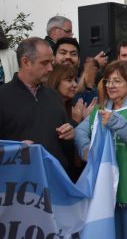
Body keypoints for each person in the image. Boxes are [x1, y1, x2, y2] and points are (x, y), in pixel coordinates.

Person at [75, 60, 127, 239]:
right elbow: (79, 132)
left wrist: (115, 121)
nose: (110, 85)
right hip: (105, 192)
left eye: (117, 81)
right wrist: (85, 150)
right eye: (108, 81)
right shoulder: (101, 108)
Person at [0, 37, 74, 170]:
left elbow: (64, 146)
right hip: (19, 185)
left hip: (54, 181)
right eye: (45, 63)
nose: (51, 68)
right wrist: (12, 150)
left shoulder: (54, 96)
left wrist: (69, 136)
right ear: (26, 62)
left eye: (51, 62)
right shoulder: (3, 96)